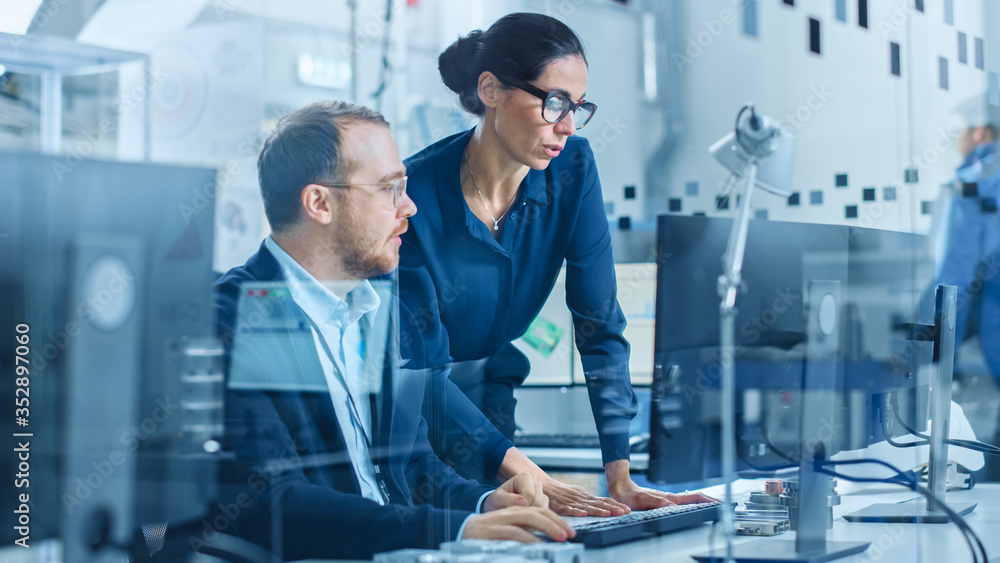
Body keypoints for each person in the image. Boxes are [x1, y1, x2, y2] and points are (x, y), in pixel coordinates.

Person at [212, 100, 574, 560]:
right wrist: (457, 529)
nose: (410, 206)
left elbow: (410, 467)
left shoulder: (382, 309)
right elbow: (271, 502)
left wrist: (485, 504)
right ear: (319, 202)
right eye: (390, 188)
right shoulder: (241, 316)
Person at [399, 12, 713, 513]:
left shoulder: (573, 168)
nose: (567, 126)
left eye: (578, 107)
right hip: (410, 418)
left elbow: (600, 327)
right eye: (553, 103)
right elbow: (419, 372)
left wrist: (621, 475)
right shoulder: (413, 196)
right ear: (490, 89)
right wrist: (533, 474)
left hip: (491, 399)